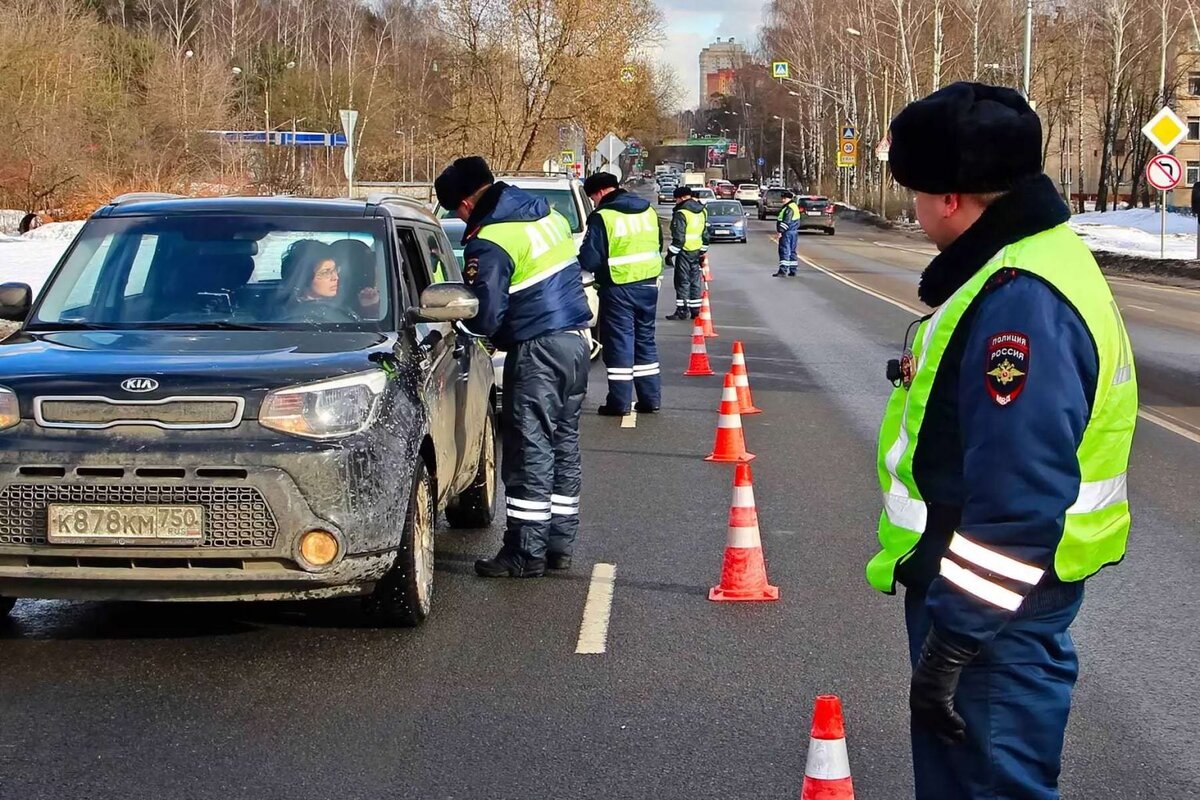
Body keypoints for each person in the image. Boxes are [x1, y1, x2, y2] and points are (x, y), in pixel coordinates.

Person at [866, 82, 1138, 799]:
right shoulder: (1028, 258)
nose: (914, 211)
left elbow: (1019, 497)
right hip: (996, 605)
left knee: (986, 787)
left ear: (951, 198)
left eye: (916, 193)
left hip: (992, 617)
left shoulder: (1021, 297)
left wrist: (955, 640)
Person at [435, 156, 592, 578]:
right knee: (562, 445)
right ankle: (558, 544)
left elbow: (485, 315)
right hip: (575, 343)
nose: (459, 216)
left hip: (537, 348)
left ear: (467, 202)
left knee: (528, 450)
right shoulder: (546, 215)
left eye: (457, 209)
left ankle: (524, 551)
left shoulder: (491, 240)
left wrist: (458, 320)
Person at [578, 171, 663, 416]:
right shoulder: (647, 210)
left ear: (600, 192)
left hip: (618, 288)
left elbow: (590, 259)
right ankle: (650, 399)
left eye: (593, 197)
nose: (594, 202)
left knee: (619, 344)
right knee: (645, 342)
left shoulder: (603, 216)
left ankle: (620, 402)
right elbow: (658, 245)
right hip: (648, 285)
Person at [664, 185, 708, 320]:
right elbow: (705, 234)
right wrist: (702, 252)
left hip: (684, 252)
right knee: (695, 281)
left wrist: (670, 254)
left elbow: (679, 238)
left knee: (682, 281)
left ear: (682, 198)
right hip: (696, 251)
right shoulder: (702, 211)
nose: (675, 202)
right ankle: (695, 310)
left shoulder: (681, 213)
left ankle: (682, 310)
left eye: (676, 199)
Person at [772, 190, 800, 277]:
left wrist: (780, 231)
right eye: (782, 198)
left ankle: (783, 270)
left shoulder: (789, 208)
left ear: (789, 198)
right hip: (793, 232)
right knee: (792, 251)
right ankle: (793, 269)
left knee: (784, 250)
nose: (782, 200)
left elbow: (786, 221)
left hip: (787, 232)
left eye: (784, 198)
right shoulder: (793, 206)